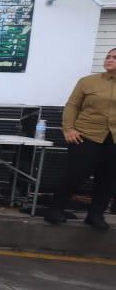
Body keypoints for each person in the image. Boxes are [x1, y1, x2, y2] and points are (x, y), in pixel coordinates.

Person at [45, 47, 116, 229]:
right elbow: (72, 105)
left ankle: (95, 216)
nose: (109, 60)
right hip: (86, 134)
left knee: (107, 178)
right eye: (108, 56)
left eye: (114, 58)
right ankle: (55, 210)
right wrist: (68, 129)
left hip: (113, 138)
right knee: (75, 174)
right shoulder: (88, 81)